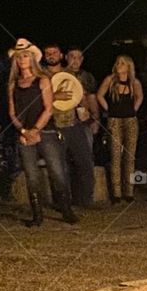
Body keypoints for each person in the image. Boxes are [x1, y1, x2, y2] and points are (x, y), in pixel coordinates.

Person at [7, 38, 78, 226]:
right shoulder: (13, 84)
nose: (22, 60)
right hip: (24, 134)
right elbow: (12, 112)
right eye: (19, 57)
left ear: (31, 58)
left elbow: (48, 108)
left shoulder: (42, 80)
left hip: (46, 131)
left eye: (25, 56)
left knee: (57, 172)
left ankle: (66, 209)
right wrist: (24, 131)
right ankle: (37, 215)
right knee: (31, 175)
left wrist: (36, 129)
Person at [52, 46, 98, 207]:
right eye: (72, 57)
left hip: (79, 123)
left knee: (84, 161)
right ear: (66, 57)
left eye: (78, 57)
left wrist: (94, 118)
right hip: (59, 123)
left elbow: (90, 98)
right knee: (61, 164)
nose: (75, 61)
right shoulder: (58, 75)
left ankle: (85, 199)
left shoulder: (86, 77)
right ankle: (64, 200)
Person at [97, 55, 143, 202]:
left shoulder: (134, 82)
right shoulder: (110, 80)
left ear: (129, 66)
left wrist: (133, 110)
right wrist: (109, 110)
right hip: (115, 120)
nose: (119, 65)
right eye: (117, 63)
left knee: (130, 157)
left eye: (122, 63)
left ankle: (129, 192)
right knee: (115, 156)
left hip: (130, 120)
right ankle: (116, 194)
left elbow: (139, 96)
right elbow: (99, 95)